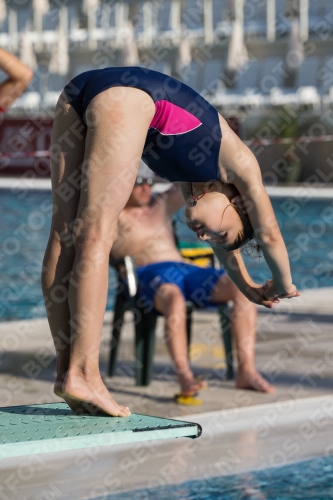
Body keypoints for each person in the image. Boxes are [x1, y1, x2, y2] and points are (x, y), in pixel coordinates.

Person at [42, 67, 299, 417]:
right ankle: (84, 373)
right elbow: (269, 233)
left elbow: (226, 254)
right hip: (123, 97)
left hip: (78, 92)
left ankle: (66, 372)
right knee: (96, 233)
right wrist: (282, 284)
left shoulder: (191, 172)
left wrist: (249, 286)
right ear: (238, 204)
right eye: (220, 232)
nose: (205, 237)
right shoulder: (241, 164)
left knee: (64, 233)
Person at [111, 166, 275, 399]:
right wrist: (149, 226)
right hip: (148, 273)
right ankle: (185, 377)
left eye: (149, 182)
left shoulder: (160, 202)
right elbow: (114, 252)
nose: (146, 187)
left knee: (240, 288)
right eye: (138, 182)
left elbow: (190, 181)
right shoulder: (114, 215)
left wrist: (162, 173)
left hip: (184, 269)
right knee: (174, 298)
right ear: (123, 185)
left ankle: (246, 371)